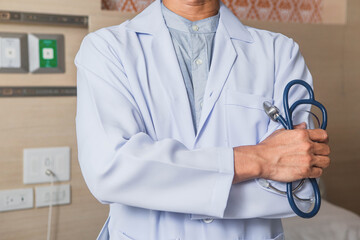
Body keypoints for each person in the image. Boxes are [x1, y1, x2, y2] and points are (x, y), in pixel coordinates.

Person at [75, 0, 331, 239]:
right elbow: (110, 172)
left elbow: (298, 189)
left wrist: (161, 181)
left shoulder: (279, 53)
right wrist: (259, 159)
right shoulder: (106, 49)